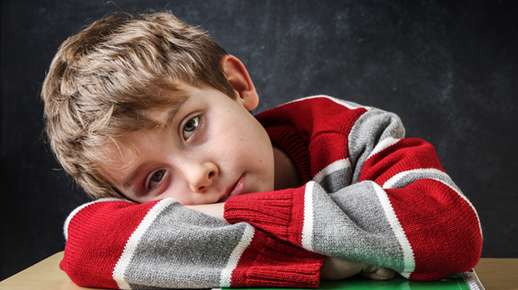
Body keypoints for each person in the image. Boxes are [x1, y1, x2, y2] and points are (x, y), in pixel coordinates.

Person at [41, 11, 483, 289]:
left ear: (237, 86)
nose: (198, 176)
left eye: (191, 126)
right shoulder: (176, 191)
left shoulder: (350, 134)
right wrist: (334, 257)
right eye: (156, 179)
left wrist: (217, 225)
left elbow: (447, 226)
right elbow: (86, 244)